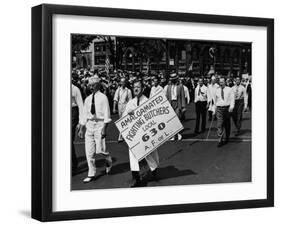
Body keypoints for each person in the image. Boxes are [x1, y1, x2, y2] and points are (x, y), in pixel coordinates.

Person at [124, 80, 160, 187]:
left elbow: (153, 118)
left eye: (138, 87)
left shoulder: (147, 102)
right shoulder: (130, 103)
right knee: (133, 154)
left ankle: (154, 169)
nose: (135, 89)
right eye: (134, 87)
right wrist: (128, 115)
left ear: (142, 88)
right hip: (134, 135)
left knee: (149, 153)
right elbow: (123, 120)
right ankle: (136, 177)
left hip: (146, 133)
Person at [78, 75, 113, 183]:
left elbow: (107, 114)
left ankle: (108, 159)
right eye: (90, 85)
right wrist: (81, 127)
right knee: (89, 152)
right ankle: (91, 173)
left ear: (98, 85)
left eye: (93, 85)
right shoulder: (88, 99)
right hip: (89, 126)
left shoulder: (103, 98)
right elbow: (84, 114)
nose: (91, 87)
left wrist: (104, 129)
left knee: (100, 150)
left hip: (99, 125)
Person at [164, 73, 186, 140]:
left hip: (177, 103)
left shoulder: (180, 86)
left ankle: (179, 133)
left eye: (174, 79)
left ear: (176, 79)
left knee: (178, 119)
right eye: (172, 79)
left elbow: (182, 96)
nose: (173, 80)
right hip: (171, 104)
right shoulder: (168, 87)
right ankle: (173, 135)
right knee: (172, 120)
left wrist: (183, 106)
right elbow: (167, 97)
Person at [214, 77, 235, 147]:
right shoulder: (217, 90)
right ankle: (220, 140)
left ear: (225, 82)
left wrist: (231, 107)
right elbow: (215, 101)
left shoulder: (229, 89)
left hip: (227, 109)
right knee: (219, 125)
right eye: (220, 82)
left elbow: (232, 99)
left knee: (227, 124)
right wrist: (214, 109)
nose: (221, 83)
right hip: (219, 109)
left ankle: (227, 137)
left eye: (222, 82)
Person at [113, 77, 132, 142]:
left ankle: (120, 136)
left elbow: (130, 100)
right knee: (121, 121)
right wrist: (114, 108)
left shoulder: (128, 91)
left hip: (126, 106)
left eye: (124, 82)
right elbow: (115, 99)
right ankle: (123, 135)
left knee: (124, 121)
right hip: (120, 106)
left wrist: (130, 108)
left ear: (125, 83)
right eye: (122, 82)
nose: (123, 83)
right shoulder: (118, 90)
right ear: (120, 83)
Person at [71, 82, 84, 174]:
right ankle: (73, 161)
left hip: (73, 112)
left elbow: (80, 105)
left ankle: (73, 164)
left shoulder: (75, 89)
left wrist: (81, 122)